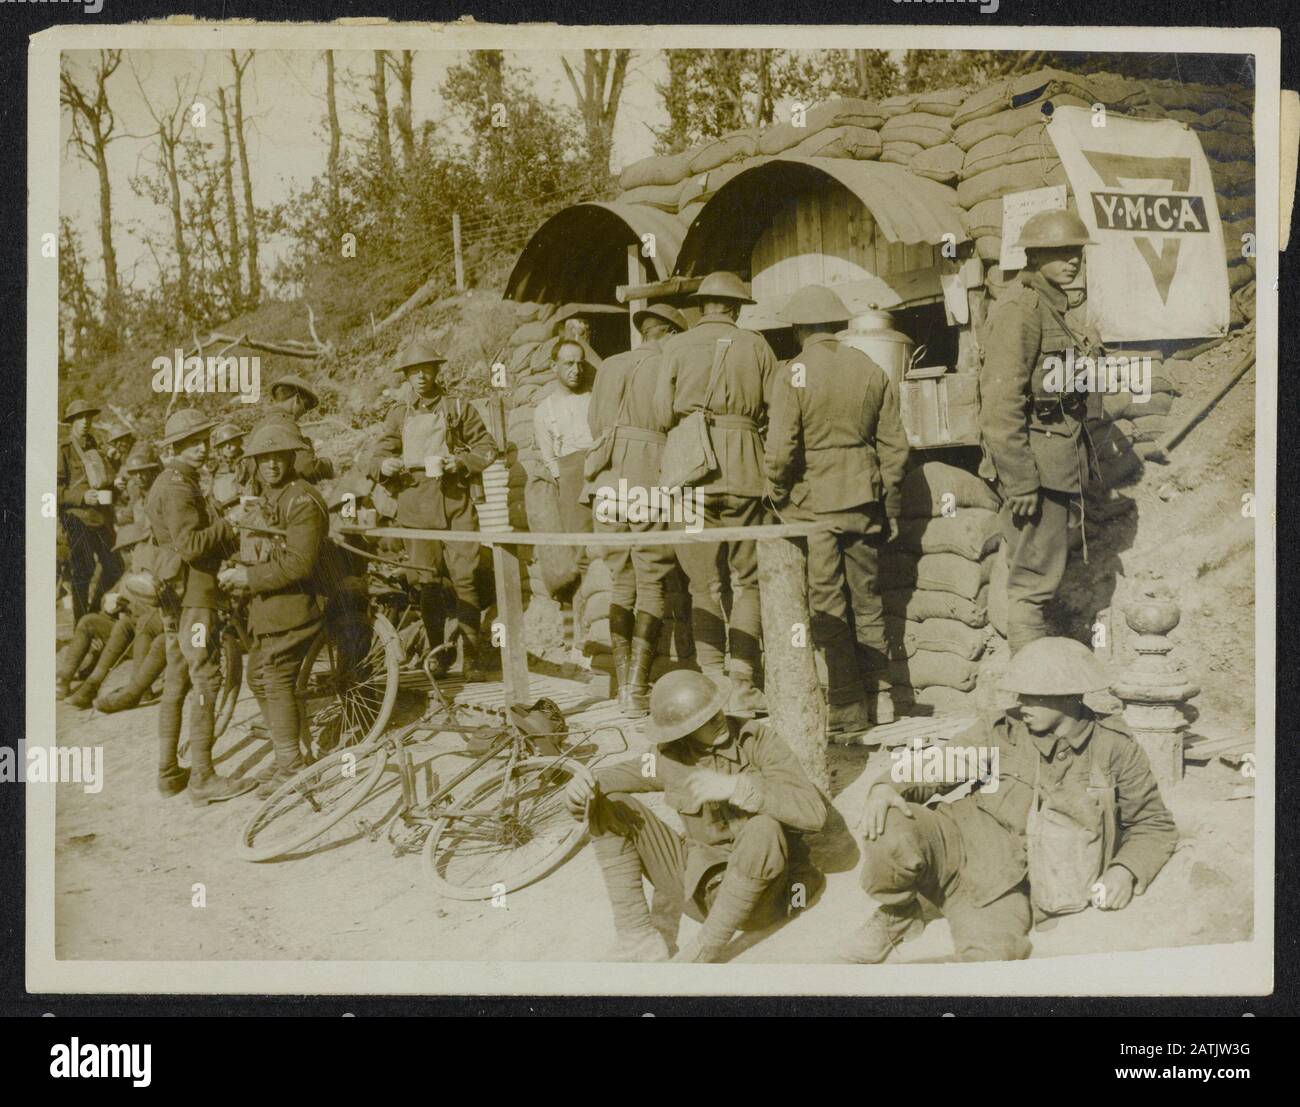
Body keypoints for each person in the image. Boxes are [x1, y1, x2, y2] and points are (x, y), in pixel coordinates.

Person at [840, 637, 1178, 964]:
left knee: (990, 960)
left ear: (1068, 697)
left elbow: (1153, 823)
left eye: (1032, 696)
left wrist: (1125, 869)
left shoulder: (1114, 747)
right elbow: (942, 765)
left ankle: (934, 907)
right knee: (889, 824)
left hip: (1006, 880)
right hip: (958, 838)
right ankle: (899, 911)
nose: (1021, 703)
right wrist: (888, 786)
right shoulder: (1002, 729)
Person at [565, 669, 827, 963]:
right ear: (683, 731)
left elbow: (814, 813)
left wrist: (738, 789)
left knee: (764, 827)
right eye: (704, 719)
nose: (718, 718)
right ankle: (636, 938)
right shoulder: (670, 757)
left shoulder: (758, 741)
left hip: (764, 896)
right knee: (609, 805)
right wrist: (582, 786)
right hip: (704, 895)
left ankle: (704, 951)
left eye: (716, 709)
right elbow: (611, 778)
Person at [766, 285, 910, 732]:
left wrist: (776, 491)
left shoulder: (795, 373)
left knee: (828, 605)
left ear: (799, 328)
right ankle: (882, 699)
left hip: (818, 506)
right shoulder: (868, 367)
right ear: (838, 325)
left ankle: (847, 708)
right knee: (867, 601)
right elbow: (895, 451)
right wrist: (890, 507)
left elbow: (780, 451)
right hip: (864, 503)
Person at [979, 209, 1102, 655]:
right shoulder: (1021, 309)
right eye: (1061, 252)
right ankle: (1031, 690)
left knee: (1043, 573)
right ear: (1035, 255)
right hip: (1038, 468)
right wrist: (1021, 480)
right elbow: (1000, 404)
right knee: (1033, 582)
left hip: (1060, 462)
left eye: (1077, 253)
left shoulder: (1056, 308)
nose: (1073, 261)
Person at [655, 271, 778, 717]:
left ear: (703, 305)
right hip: (746, 469)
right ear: (737, 308)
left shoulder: (674, 347)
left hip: (690, 475)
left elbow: (659, 412)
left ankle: (710, 683)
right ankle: (744, 681)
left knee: (702, 583)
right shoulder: (757, 345)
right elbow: (775, 409)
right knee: (747, 580)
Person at [369, 337, 497, 681]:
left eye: (427, 369)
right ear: (406, 377)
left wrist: (462, 461)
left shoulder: (458, 407)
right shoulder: (398, 414)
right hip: (414, 509)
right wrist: (385, 466)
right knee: (427, 584)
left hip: (456, 505)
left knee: (466, 580)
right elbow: (377, 455)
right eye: (414, 372)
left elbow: (488, 448)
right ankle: (438, 655)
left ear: (436, 371)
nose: (422, 377)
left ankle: (471, 658)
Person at [146, 407, 256, 804]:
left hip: (176, 595)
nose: (201, 449)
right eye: (191, 443)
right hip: (194, 596)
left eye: (203, 441)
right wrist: (232, 523)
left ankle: (168, 772)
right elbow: (191, 545)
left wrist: (225, 522)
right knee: (206, 680)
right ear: (175, 447)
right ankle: (204, 778)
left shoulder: (174, 480)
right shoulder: (178, 486)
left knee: (177, 678)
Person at [585, 304, 687, 717]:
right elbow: (673, 420)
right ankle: (636, 690)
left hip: (607, 477)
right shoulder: (667, 364)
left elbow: (594, 424)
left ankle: (624, 685)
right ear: (667, 332)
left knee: (620, 578)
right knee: (651, 580)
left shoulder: (609, 365)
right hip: (650, 470)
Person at [219, 424, 331, 794]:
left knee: (276, 675)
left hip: (299, 605)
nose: (270, 465)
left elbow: (300, 564)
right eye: (263, 459)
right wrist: (236, 563)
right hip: (272, 605)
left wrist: (248, 579)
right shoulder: (269, 496)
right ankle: (288, 752)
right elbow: (264, 546)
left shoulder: (301, 499)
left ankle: (292, 766)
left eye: (277, 457)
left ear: (290, 458)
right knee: (255, 676)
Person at [535, 338, 597, 663]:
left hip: (599, 478)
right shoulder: (545, 411)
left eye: (579, 363)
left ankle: (600, 637)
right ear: (553, 366)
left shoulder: (593, 399)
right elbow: (550, 461)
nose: (575, 370)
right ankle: (579, 643)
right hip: (571, 485)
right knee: (580, 562)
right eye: (568, 363)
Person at [60, 523, 165, 711]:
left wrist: (128, 605)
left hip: (145, 637)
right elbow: (109, 595)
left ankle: (136, 686)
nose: (129, 555)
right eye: (125, 551)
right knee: (88, 621)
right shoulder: (128, 573)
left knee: (128, 623)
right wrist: (109, 604)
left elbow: (156, 610)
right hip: (125, 634)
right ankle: (64, 679)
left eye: (131, 549)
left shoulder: (155, 568)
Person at [57, 398, 122, 621]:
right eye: (79, 418)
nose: (85, 422)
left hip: (102, 518)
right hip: (78, 521)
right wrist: (82, 496)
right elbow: (54, 491)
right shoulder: (64, 450)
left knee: (115, 566)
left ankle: (94, 614)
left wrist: (117, 480)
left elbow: (106, 482)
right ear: (72, 422)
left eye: (88, 417)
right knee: (82, 573)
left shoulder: (97, 448)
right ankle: (81, 624)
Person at [239, 374, 334, 492]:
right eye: (307, 406)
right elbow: (306, 469)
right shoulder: (286, 425)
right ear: (297, 399)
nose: (306, 412)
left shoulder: (259, 425)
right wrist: (327, 465)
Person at [116, 442, 163, 527]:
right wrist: (117, 519)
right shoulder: (135, 489)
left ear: (150, 471)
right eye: (134, 473)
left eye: (142, 472)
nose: (139, 476)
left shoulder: (160, 488)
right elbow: (131, 508)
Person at [207, 422, 247, 514]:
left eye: (232, 442)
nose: (228, 447)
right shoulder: (217, 465)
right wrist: (212, 500)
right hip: (218, 511)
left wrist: (225, 504)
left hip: (240, 510)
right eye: (224, 444)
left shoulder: (247, 462)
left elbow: (249, 493)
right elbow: (210, 489)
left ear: (240, 441)